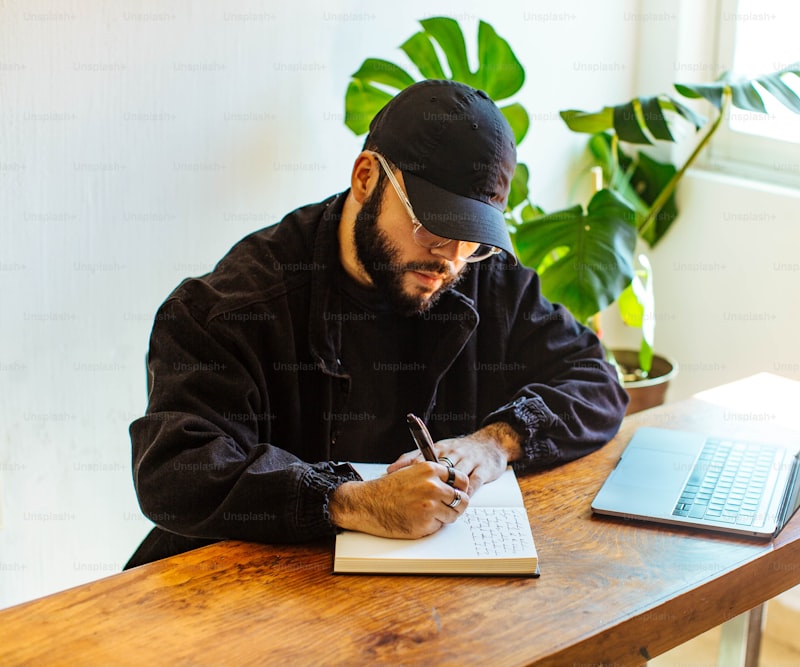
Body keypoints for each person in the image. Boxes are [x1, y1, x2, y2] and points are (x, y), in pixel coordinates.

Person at [125, 79, 629, 568]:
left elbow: (596, 379)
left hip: (427, 608)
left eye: (472, 236)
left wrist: (496, 441)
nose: (451, 260)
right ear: (366, 177)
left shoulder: (482, 278)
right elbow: (175, 470)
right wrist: (350, 502)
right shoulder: (237, 305)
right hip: (250, 601)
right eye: (434, 226)